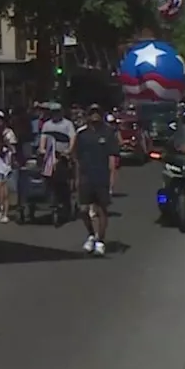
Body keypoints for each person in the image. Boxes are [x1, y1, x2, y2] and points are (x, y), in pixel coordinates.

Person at [72, 103, 117, 256]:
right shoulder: (82, 135)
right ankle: (91, 235)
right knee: (83, 210)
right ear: (88, 116)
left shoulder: (108, 133)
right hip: (86, 176)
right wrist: (77, 178)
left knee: (101, 210)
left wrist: (112, 180)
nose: (95, 115)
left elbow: (112, 158)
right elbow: (76, 158)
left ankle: (101, 241)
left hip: (101, 176)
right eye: (92, 113)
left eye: (97, 112)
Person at [0, 110, 17, 223]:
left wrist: (6, 143)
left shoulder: (9, 133)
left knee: (5, 193)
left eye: (0, 119)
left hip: (6, 165)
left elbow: (14, 149)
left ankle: (5, 213)